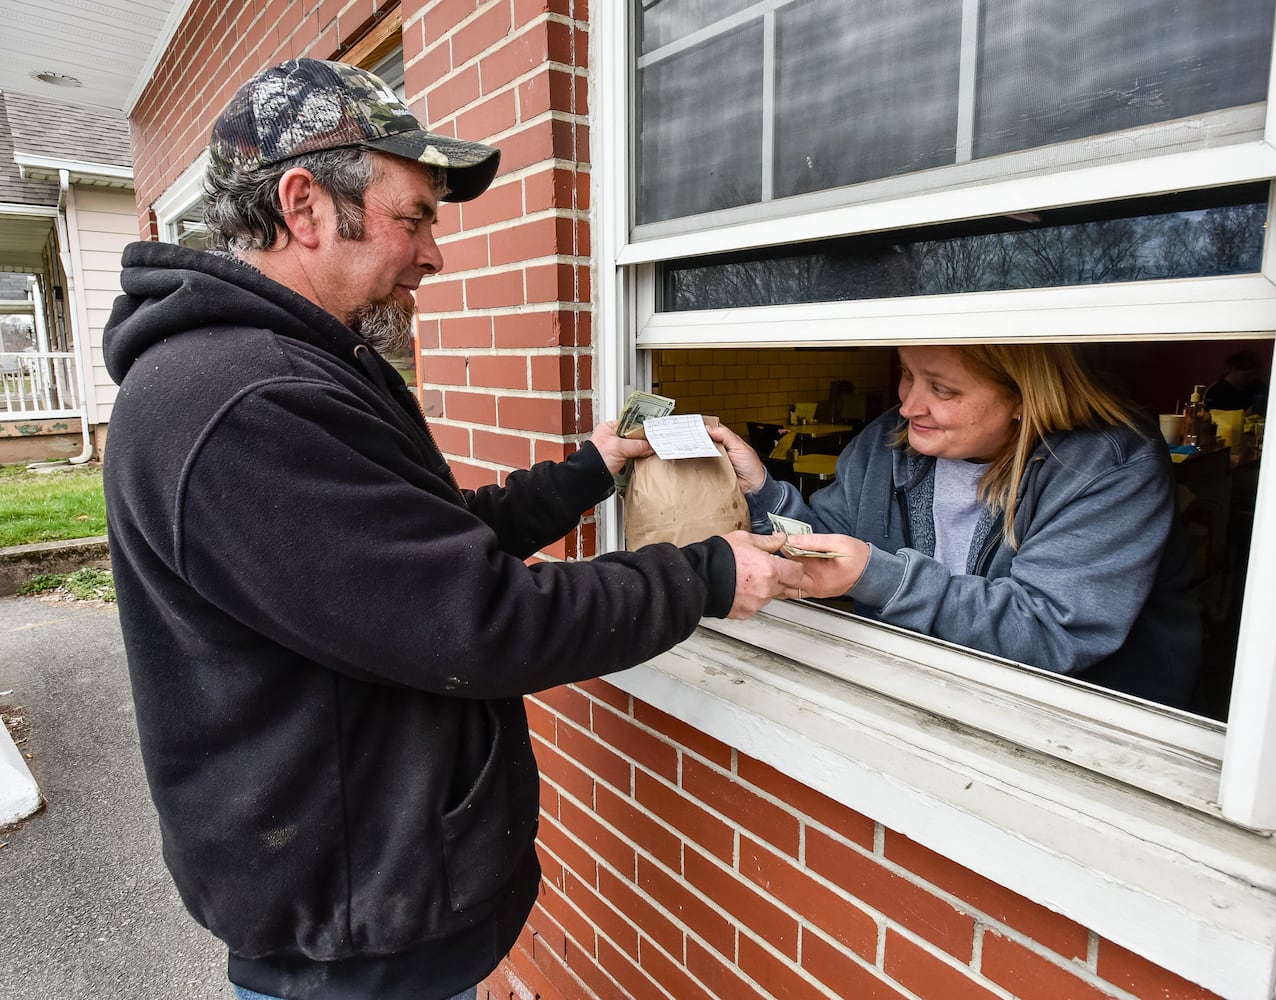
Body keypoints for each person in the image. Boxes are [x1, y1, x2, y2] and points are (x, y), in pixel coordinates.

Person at [101, 59, 808, 1000]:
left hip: (369, 906)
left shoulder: (283, 369)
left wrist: (588, 470)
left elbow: (414, 557)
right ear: (305, 206)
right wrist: (708, 574)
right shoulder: (245, 404)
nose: (435, 253)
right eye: (415, 217)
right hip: (354, 947)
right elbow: (475, 620)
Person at [710, 343, 1201, 710]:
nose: (908, 406)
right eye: (907, 375)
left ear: (1024, 397)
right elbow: (823, 543)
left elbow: (1049, 632)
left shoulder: (1107, 466)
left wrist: (880, 578)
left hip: (1083, 730)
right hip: (922, 695)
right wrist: (762, 491)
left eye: (941, 389)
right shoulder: (887, 440)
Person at [1202, 349, 1268, 414]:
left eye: (1255, 375)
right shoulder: (1215, 392)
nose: (1252, 379)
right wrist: (1246, 413)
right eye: (1248, 375)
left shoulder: (1259, 387)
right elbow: (1212, 419)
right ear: (1233, 368)